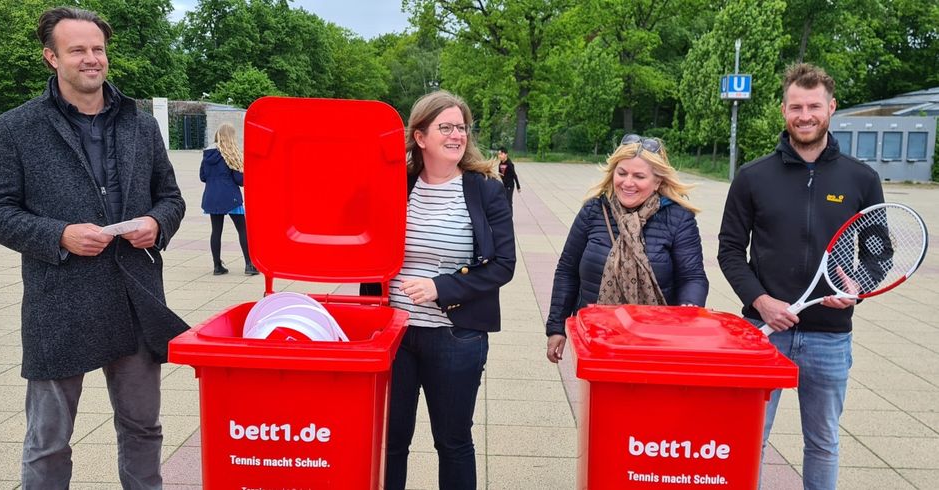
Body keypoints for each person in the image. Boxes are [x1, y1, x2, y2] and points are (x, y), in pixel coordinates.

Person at [0, 7, 187, 488]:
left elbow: (170, 198)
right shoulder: (18, 126)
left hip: (135, 297)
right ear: (52, 57)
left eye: (98, 49)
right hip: (61, 301)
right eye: (78, 50)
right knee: (48, 440)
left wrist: (157, 223)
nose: (91, 59)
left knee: (142, 427)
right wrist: (59, 234)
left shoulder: (139, 123)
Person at [717, 63, 884, 490]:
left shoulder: (862, 179)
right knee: (749, 439)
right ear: (783, 110)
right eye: (796, 106)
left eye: (813, 106)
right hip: (764, 331)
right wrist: (761, 301)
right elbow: (730, 251)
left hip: (830, 334)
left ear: (831, 107)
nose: (804, 115)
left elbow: (879, 256)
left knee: (824, 442)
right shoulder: (753, 176)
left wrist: (856, 289)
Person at [363, 90, 516, 489]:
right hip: (392, 336)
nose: (456, 135)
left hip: (455, 337)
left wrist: (440, 287)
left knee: (452, 442)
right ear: (420, 136)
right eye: (445, 127)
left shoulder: (485, 189)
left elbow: (503, 264)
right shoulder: (396, 183)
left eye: (461, 127)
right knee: (390, 442)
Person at [545, 134, 708, 363]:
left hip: (657, 342)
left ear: (657, 181)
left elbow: (692, 277)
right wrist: (556, 327)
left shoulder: (679, 218)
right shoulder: (593, 211)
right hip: (595, 337)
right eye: (622, 173)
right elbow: (567, 271)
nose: (627, 183)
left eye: (639, 176)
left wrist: (688, 312)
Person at [200, 123, 257, 276]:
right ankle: (249, 265)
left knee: (216, 231)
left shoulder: (207, 154)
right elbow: (240, 180)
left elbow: (203, 177)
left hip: (212, 197)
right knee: (242, 229)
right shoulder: (231, 154)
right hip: (230, 197)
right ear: (230, 137)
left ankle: (217, 266)